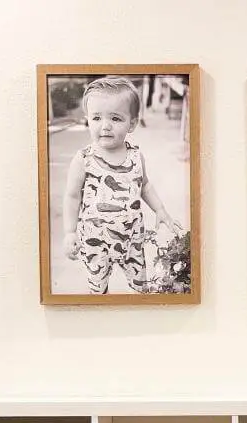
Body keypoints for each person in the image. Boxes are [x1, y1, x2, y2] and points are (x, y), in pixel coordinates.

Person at [63, 76, 180, 294]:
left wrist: (160, 210)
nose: (105, 126)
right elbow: (72, 196)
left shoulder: (136, 157)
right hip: (94, 242)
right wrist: (70, 232)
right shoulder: (83, 159)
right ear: (88, 119)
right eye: (96, 118)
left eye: (115, 119)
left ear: (132, 123)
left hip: (132, 242)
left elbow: (144, 186)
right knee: (97, 291)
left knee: (140, 290)